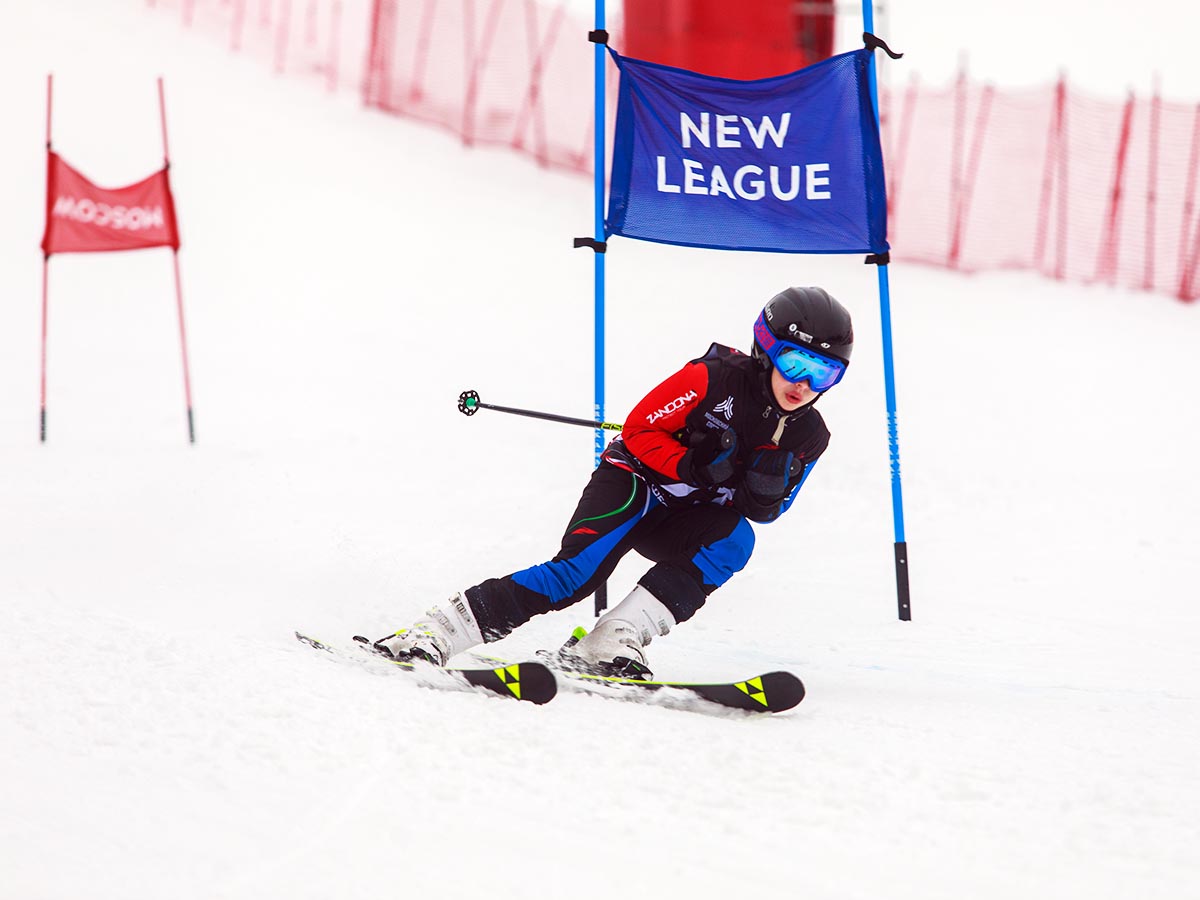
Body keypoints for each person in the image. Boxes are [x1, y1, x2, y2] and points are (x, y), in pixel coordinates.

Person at [372, 286, 853, 678]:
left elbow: (772, 510)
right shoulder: (712, 379)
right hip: (634, 483)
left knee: (736, 541)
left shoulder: (810, 435)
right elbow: (639, 429)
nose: (805, 384)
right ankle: (432, 634)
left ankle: (611, 640)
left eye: (825, 372)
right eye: (795, 363)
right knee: (575, 576)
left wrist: (763, 496)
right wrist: (690, 466)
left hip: (684, 519)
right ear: (766, 350)